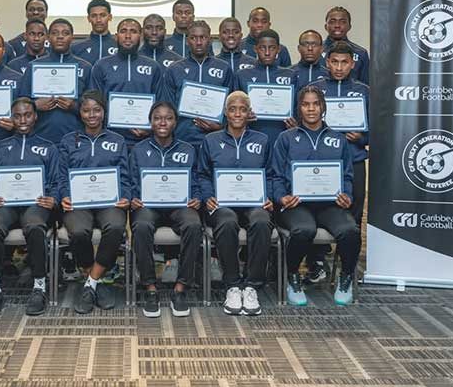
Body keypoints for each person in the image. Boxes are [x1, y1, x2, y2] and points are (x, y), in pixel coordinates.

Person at [271, 85, 360, 306]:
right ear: (299, 108)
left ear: (323, 107)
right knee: (304, 230)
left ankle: (346, 276)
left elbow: (347, 175)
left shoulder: (338, 139)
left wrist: (346, 196)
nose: (311, 109)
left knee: (350, 231)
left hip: (329, 204)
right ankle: (292, 276)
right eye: (305, 104)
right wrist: (281, 198)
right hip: (296, 204)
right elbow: (275, 175)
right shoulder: (286, 138)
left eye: (316, 104)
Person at [197, 91, 274, 316]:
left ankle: (251, 286)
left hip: (254, 202)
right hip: (221, 203)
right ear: (225, 112)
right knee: (227, 220)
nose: (237, 113)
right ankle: (232, 285)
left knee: (261, 220)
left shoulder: (262, 140)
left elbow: (270, 173)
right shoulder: (210, 141)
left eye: (242, 109)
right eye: (233, 109)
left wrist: (268, 196)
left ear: (249, 113)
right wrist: (207, 196)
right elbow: (202, 174)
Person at [0, 98, 59, 317]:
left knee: (35, 227)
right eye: (17, 115)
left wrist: (53, 198)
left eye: (27, 115)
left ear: (35, 116)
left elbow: (56, 180)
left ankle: (39, 287)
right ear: (12, 118)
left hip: (36, 205)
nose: (23, 120)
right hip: (5, 205)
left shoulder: (48, 147)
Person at [58, 90, 131, 314]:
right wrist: (64, 195)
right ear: (80, 113)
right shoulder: (68, 140)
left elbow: (126, 176)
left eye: (97, 110)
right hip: (78, 204)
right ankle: (95, 282)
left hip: (109, 202)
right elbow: (61, 175)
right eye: (87, 110)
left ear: (104, 112)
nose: (92, 115)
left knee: (116, 227)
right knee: (79, 232)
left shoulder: (117, 141)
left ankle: (90, 283)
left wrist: (125, 195)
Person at [130, 102, 201, 318]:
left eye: (168, 118)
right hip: (148, 206)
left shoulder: (188, 150)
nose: (163, 122)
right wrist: (133, 197)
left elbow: (197, 181)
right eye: (157, 118)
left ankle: (180, 289)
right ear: (150, 122)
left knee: (194, 224)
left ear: (175, 122)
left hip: (179, 206)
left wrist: (197, 197)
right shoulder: (138, 150)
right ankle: (150, 288)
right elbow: (131, 181)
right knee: (141, 226)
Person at [311, 42, 369, 225]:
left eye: (344, 62)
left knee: (355, 207)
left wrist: (361, 138)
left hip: (354, 158)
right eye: (334, 61)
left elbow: (376, 130)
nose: (338, 67)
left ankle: (350, 253)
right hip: (322, 159)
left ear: (352, 64)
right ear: (327, 62)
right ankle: (318, 254)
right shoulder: (314, 89)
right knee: (321, 206)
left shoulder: (363, 91)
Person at [18, 18, 92, 144]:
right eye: (55, 33)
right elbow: (20, 102)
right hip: (40, 136)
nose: (60, 37)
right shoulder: (34, 66)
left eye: (65, 33)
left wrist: (74, 106)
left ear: (72, 37)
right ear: (48, 37)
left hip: (75, 137)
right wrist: (35, 106)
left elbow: (93, 105)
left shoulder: (85, 67)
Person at [90, 18, 163, 146]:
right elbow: (95, 102)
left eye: (133, 31)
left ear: (140, 36)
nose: (128, 36)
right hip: (109, 138)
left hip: (145, 139)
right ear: (116, 36)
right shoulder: (101, 65)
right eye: (123, 31)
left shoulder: (153, 66)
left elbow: (161, 102)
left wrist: (150, 127)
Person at [162, 20, 233, 148]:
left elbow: (231, 105)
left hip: (217, 140)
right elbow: (167, 107)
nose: (199, 42)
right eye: (194, 38)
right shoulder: (174, 69)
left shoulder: (224, 68)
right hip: (182, 140)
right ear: (187, 41)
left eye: (203, 37)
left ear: (210, 40)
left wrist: (221, 126)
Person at [233, 29, 298, 146]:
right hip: (250, 138)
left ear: (278, 49)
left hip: (282, 136)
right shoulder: (242, 75)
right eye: (262, 48)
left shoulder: (290, 75)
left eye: (272, 48)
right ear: (255, 49)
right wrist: (243, 117)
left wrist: (295, 124)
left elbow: (297, 107)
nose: (267, 52)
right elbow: (233, 109)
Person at [319, 6, 370, 85]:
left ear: (349, 26)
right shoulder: (316, 51)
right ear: (326, 26)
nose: (337, 25)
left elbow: (366, 85)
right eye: (332, 21)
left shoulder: (361, 53)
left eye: (342, 22)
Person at [71, 0, 117, 65]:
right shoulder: (76, 48)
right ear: (89, 18)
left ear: (110, 17)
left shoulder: (119, 47)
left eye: (103, 15)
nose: (98, 20)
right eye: (94, 16)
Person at [292, 30, 328, 95]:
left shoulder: (329, 75)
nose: (310, 48)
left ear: (322, 49)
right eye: (306, 44)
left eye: (314, 44)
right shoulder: (289, 73)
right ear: (299, 48)